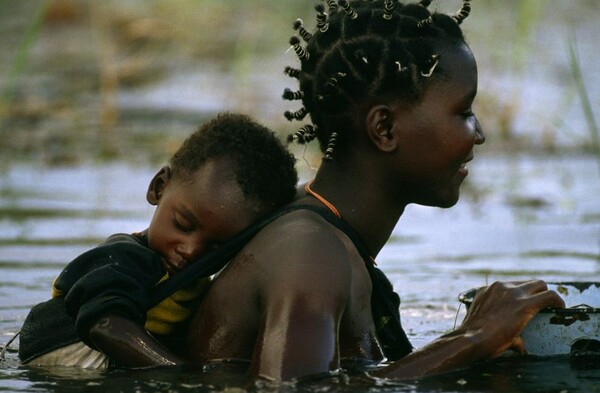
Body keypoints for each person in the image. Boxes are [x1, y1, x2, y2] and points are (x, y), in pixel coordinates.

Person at [182, 0, 565, 381]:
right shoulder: (310, 251)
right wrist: (472, 338)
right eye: (464, 113)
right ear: (384, 129)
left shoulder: (325, 233)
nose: (479, 134)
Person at [18, 113, 298, 369]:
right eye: (183, 225)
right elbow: (104, 324)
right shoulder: (125, 258)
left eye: (216, 248)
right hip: (59, 355)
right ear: (159, 187)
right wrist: (180, 374)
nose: (190, 251)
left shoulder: (198, 283)